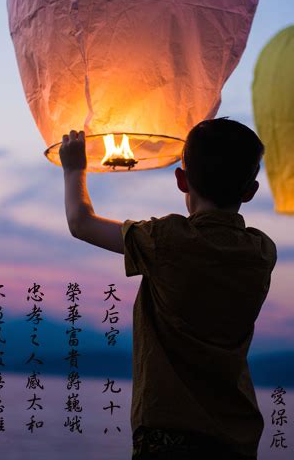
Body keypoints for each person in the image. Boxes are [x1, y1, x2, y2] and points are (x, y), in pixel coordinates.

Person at [59, 118, 277, 459]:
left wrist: (73, 169)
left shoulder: (166, 240)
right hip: (237, 438)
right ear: (250, 190)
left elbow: (80, 223)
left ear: (181, 179)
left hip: (167, 436)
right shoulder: (262, 252)